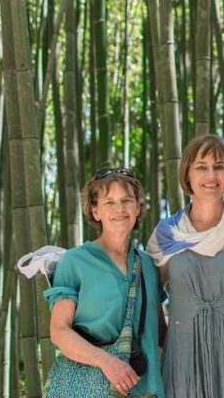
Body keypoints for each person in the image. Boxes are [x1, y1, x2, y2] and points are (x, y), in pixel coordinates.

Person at [146, 134, 224, 398]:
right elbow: (147, 295)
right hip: (184, 361)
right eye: (201, 167)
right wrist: (164, 335)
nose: (211, 175)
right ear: (187, 175)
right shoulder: (169, 232)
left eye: (219, 166)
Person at [45, 168, 166, 398]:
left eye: (127, 200)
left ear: (138, 207)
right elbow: (59, 331)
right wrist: (108, 363)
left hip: (147, 390)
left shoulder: (149, 265)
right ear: (95, 211)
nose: (119, 209)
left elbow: (160, 331)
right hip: (89, 388)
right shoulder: (75, 261)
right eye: (109, 201)